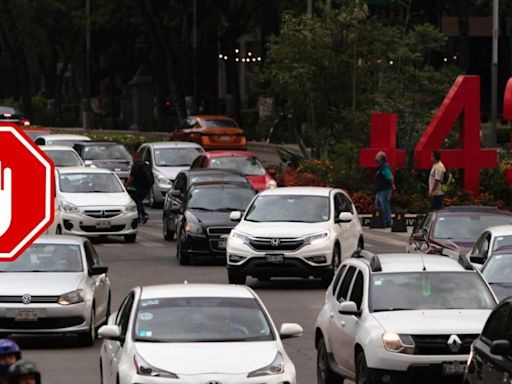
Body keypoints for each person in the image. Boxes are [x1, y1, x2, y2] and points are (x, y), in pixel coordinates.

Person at [126, 152, 151, 224]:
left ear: (135, 158)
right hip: (146, 187)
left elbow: (131, 178)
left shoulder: (136, 166)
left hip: (139, 187)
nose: (132, 160)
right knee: (138, 201)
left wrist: (125, 186)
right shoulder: (145, 165)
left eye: (133, 158)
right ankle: (140, 216)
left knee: (136, 199)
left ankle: (143, 215)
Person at [374, 151, 395, 228]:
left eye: (377, 158)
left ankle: (387, 221)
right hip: (379, 190)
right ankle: (381, 221)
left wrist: (393, 185)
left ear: (382, 159)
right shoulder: (380, 167)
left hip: (384, 190)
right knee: (378, 206)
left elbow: (390, 177)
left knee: (385, 206)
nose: (376, 159)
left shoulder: (385, 167)